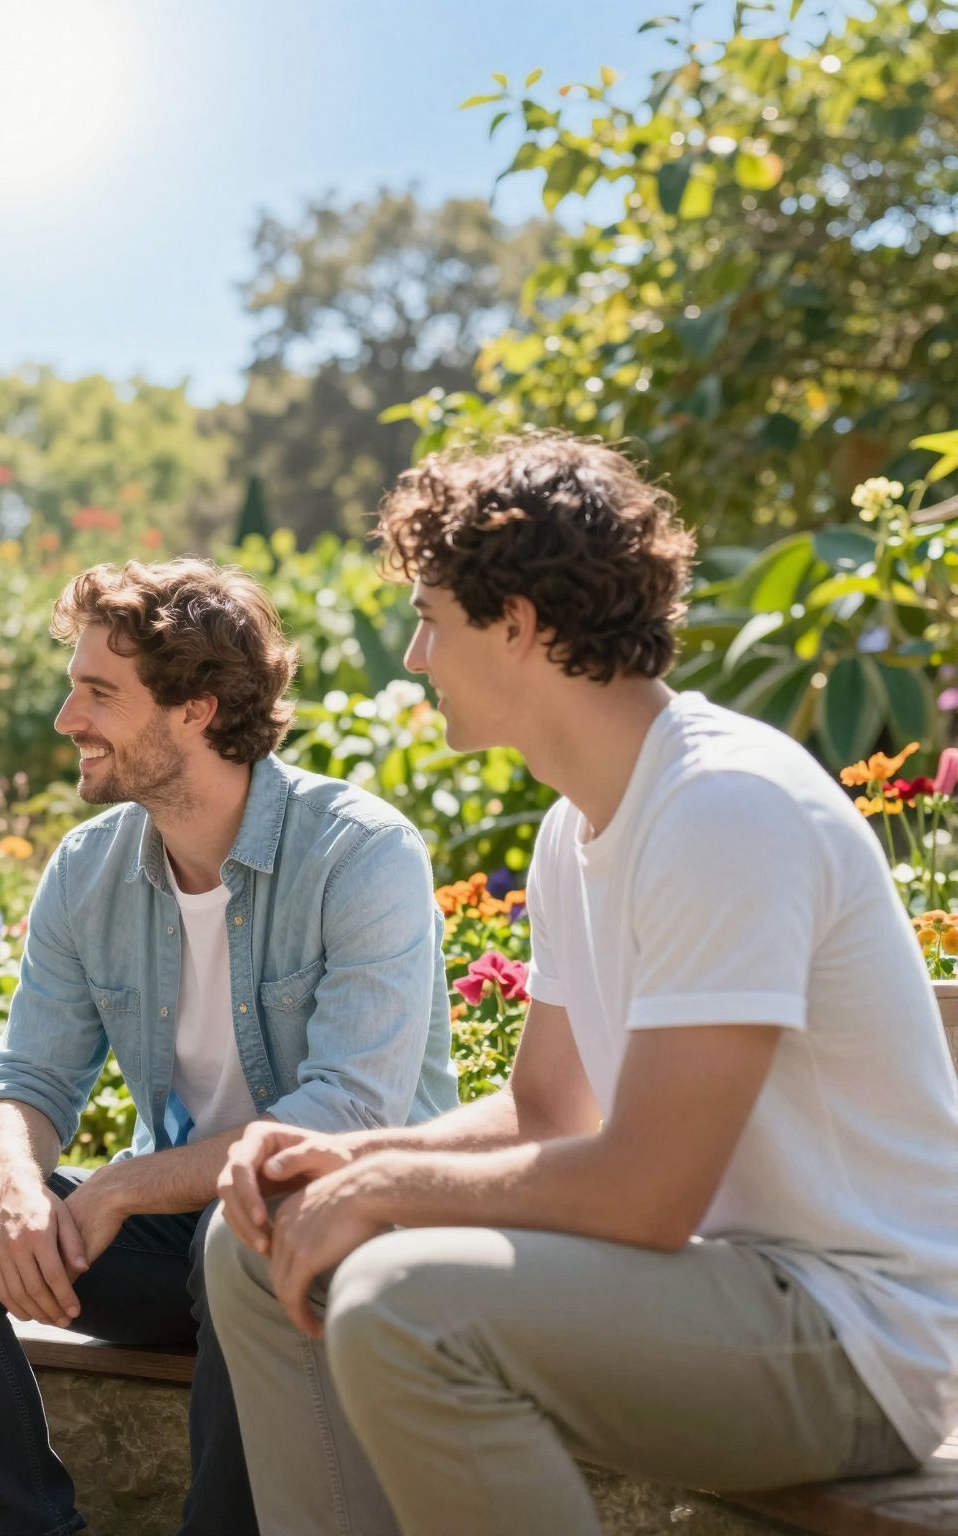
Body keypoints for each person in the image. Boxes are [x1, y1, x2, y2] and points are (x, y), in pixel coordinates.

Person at [206, 434, 958, 1535]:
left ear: (515, 624)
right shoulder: (577, 824)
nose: (414, 657)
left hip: (852, 1337)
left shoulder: (721, 808)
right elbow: (545, 1109)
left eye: (431, 617)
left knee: (402, 1310)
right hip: (712, 1297)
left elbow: (644, 1194)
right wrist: (345, 1158)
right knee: (255, 1234)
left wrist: (381, 1191)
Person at [0, 557, 454, 1536]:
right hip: (182, 1246)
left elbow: (344, 1120)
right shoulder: (91, 867)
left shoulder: (358, 852)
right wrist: (12, 1190)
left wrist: (120, 1189)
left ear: (196, 710)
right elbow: (28, 1075)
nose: (66, 719)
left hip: (341, 1238)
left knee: (245, 1223)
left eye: (97, 692)